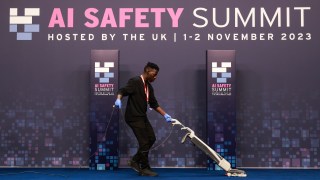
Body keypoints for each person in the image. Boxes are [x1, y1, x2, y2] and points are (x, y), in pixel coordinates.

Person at [114, 62, 172, 176]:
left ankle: (135, 160)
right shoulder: (135, 81)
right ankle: (144, 167)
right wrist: (118, 99)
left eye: (156, 75)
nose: (155, 77)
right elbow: (122, 91)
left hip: (142, 117)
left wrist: (166, 115)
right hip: (133, 117)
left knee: (151, 138)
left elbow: (154, 104)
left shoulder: (149, 87)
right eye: (154, 74)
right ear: (147, 71)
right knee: (144, 142)